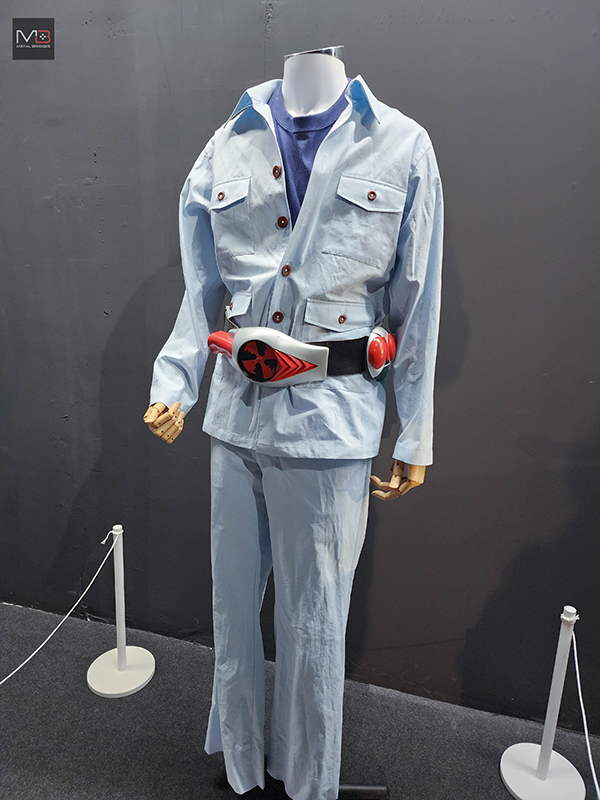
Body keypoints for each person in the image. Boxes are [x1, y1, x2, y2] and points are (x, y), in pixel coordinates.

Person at [144, 46, 443, 800]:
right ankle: (243, 769)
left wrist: (415, 429)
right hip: (234, 420)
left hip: (330, 425)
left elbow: (417, 301)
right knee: (233, 615)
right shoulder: (228, 141)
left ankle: (307, 782)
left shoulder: (401, 145)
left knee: (314, 626)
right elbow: (200, 285)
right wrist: (175, 380)